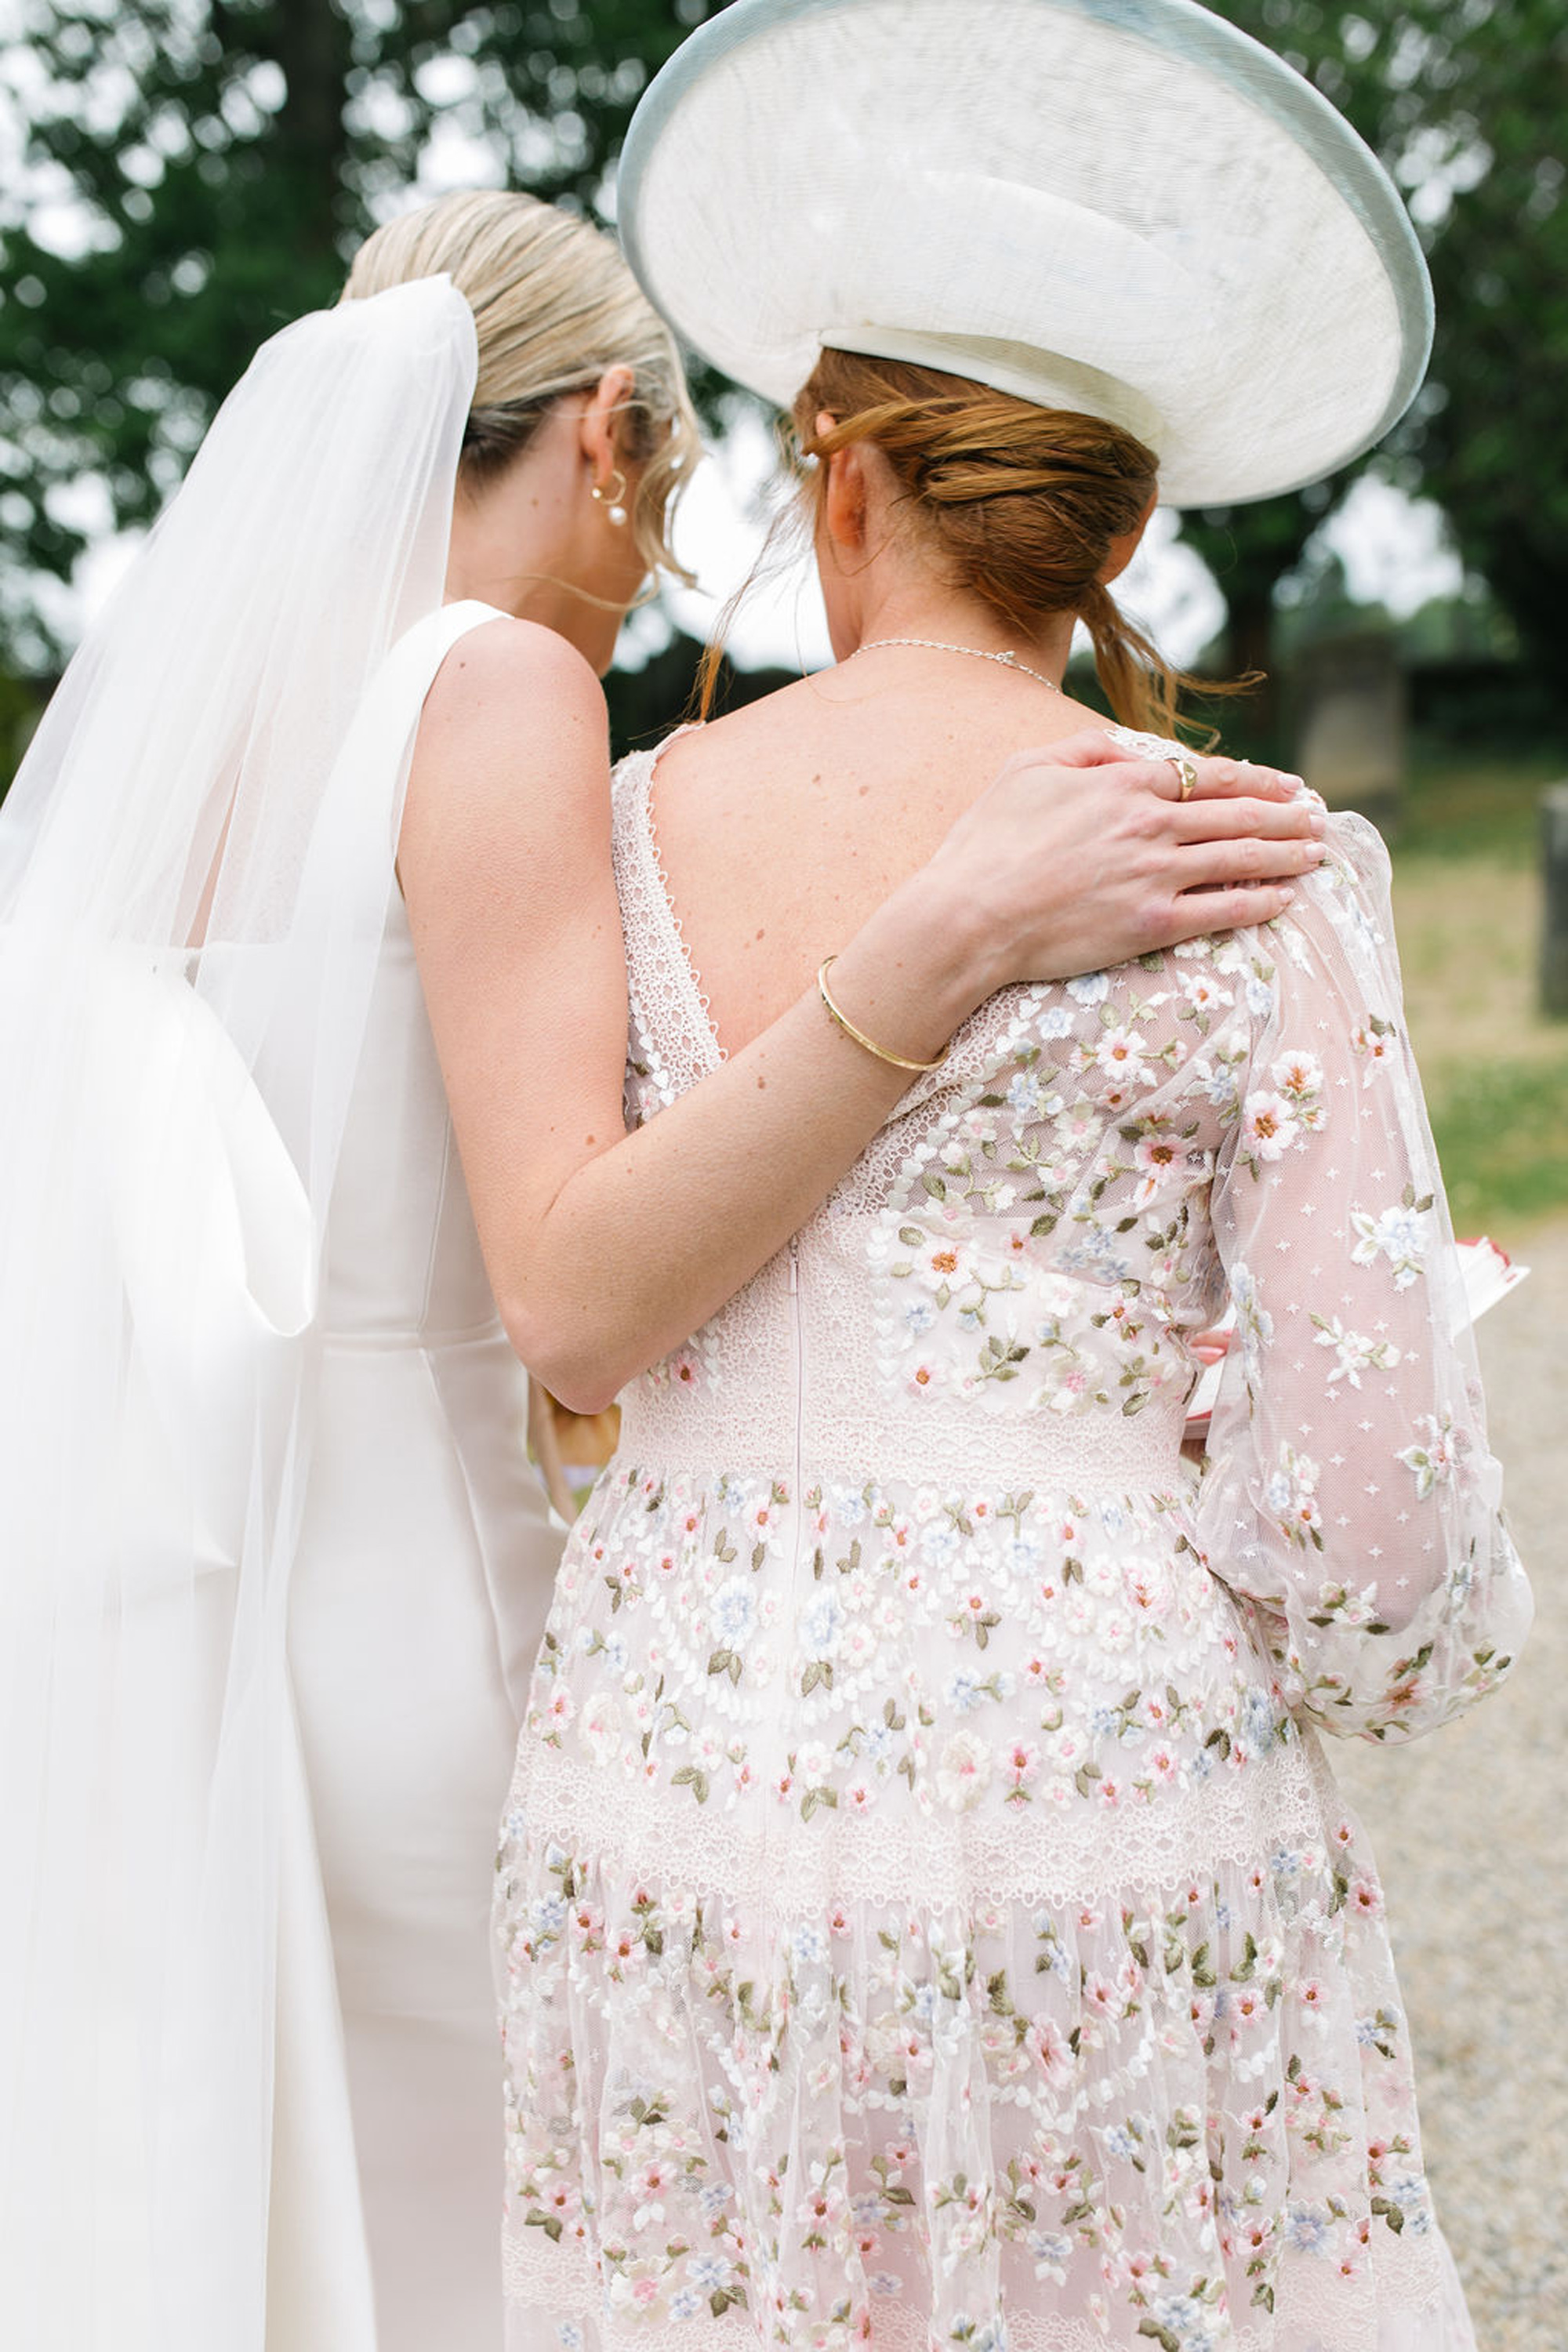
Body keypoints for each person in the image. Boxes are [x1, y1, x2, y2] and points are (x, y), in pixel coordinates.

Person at [0, 183, 1319, 2352]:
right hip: (401, 1583)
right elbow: (576, 1282)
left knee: (251, 2209)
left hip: (184, 1588)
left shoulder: (198, 738)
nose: (660, 571)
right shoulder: (490, 686)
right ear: (608, 430)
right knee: (470, 2248)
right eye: (681, 482)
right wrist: (952, 926)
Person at [467, 4, 1534, 2347]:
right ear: (1126, 522)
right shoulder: (1260, 856)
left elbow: (569, 1310)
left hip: (690, 1767)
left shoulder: (633, 819)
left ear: (832, 471)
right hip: (1114, 1778)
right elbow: (1375, 1528)